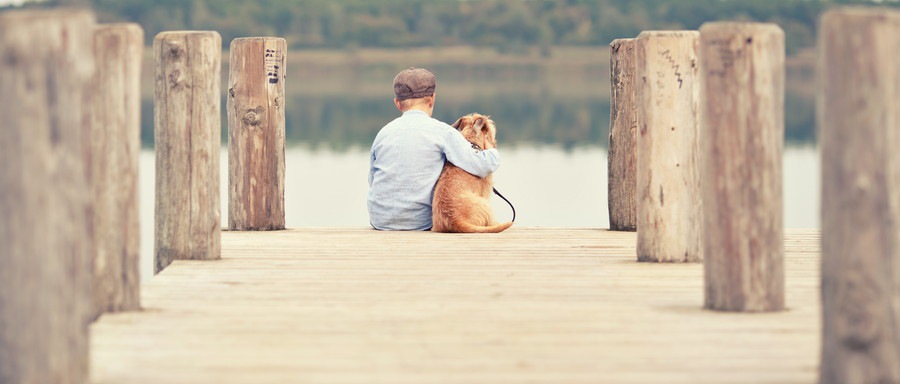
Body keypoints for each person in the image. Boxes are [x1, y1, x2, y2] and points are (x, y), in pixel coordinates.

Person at [367, 67, 500, 230]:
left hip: (380, 220)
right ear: (432, 99)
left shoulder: (383, 133)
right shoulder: (443, 132)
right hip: (421, 223)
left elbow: (372, 180)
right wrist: (489, 149)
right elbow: (482, 166)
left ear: (397, 104)